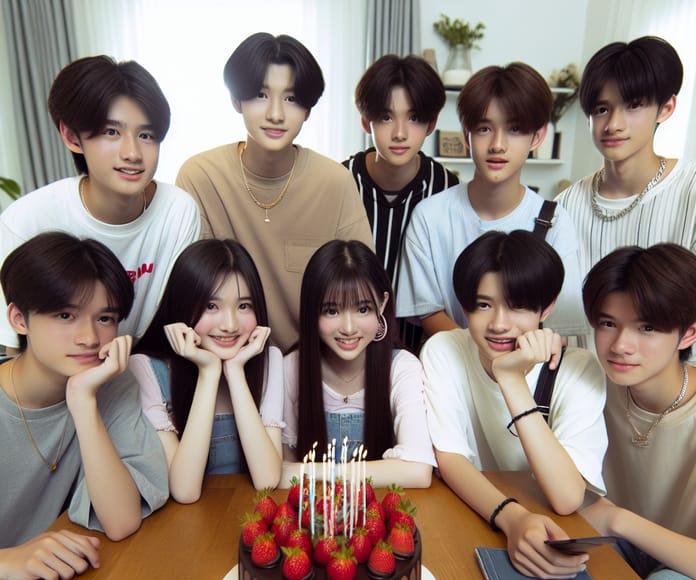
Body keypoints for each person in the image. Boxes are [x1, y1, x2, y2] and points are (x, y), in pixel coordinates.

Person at [421, 231, 606, 578]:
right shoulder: (444, 350)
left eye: (518, 305)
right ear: (464, 307)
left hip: (554, 528)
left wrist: (511, 379)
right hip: (472, 513)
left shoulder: (578, 369)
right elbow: (450, 458)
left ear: (546, 308)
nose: (499, 324)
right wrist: (512, 517)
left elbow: (567, 497)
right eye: (483, 305)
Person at [176, 33, 373, 353]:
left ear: (308, 109)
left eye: (292, 98)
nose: (276, 113)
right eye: (261, 95)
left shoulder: (335, 182)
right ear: (236, 101)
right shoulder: (201, 176)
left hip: (315, 365)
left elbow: (360, 291)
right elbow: (193, 294)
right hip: (228, 358)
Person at [0, 232, 169, 580]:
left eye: (105, 319)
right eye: (65, 315)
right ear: (18, 318)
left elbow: (121, 522)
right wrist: (7, 561)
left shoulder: (109, 385)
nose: (90, 338)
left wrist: (82, 400)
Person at [0, 55, 200, 353]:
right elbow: (14, 349)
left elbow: (178, 328)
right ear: (71, 136)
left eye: (146, 135)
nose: (132, 153)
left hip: (137, 375)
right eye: (111, 132)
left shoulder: (177, 211)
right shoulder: (27, 220)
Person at [397, 62, 587, 340]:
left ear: (538, 136)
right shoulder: (430, 216)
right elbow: (429, 312)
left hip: (527, 372)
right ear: (466, 135)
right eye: (484, 129)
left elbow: (560, 326)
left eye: (515, 129)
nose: (498, 144)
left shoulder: (554, 221)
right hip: (451, 369)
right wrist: (481, 359)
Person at [580, 243, 696, 580]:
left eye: (646, 328)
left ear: (689, 332)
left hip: (688, 572)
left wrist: (618, 519)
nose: (620, 346)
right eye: (608, 323)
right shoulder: (594, 386)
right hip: (619, 546)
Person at [130, 239, 283, 503]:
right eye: (211, 306)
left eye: (244, 306)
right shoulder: (147, 368)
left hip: (250, 516)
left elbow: (267, 479)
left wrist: (235, 372)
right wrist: (209, 373)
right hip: (182, 530)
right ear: (182, 306)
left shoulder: (268, 360)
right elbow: (185, 490)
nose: (230, 324)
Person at [282, 240, 433, 488]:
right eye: (331, 311)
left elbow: (418, 472)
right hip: (314, 516)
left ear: (382, 304)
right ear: (311, 310)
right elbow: (278, 473)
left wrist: (315, 473)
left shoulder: (401, 368)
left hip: (380, 514)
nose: (349, 328)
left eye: (362, 309)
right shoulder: (291, 368)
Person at [556, 36, 696, 280]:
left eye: (633, 106)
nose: (613, 125)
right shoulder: (565, 206)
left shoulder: (694, 190)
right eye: (602, 110)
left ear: (665, 109)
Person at [342, 54, 459, 351]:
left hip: (421, 352)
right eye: (386, 117)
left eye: (414, 118)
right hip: (346, 345)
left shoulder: (446, 189)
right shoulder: (340, 181)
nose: (400, 133)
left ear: (431, 124)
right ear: (365, 122)